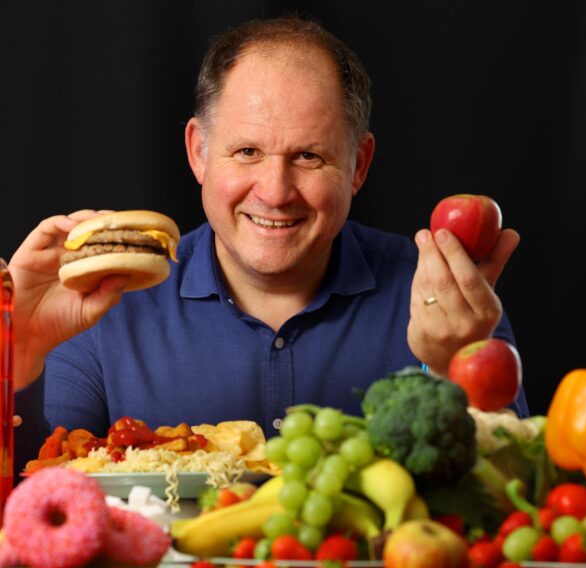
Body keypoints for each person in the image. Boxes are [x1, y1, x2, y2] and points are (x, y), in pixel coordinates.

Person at [9, 16, 527, 476]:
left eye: (307, 155)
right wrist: (20, 355)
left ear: (358, 167)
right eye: (247, 151)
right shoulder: (102, 301)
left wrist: (450, 368)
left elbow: (515, 495)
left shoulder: (447, 294)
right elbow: (27, 514)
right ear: (198, 152)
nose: (275, 192)